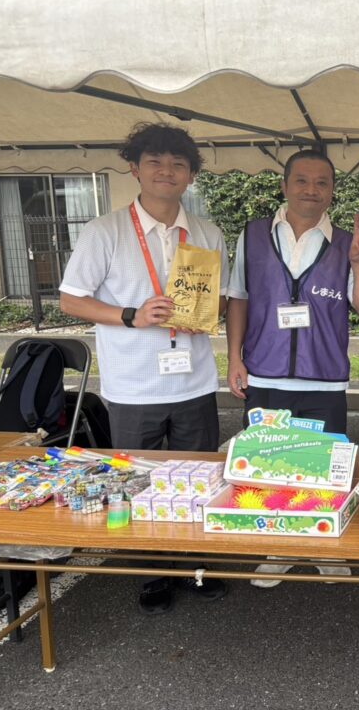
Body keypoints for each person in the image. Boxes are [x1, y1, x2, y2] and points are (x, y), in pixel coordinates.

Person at [60, 122, 229, 613]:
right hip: (133, 385)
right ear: (135, 168)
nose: (166, 171)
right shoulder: (105, 231)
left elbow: (219, 298)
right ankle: (154, 572)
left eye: (178, 164)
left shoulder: (208, 232)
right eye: (155, 161)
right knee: (140, 483)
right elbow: (71, 299)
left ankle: (195, 566)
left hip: (195, 380)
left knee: (199, 479)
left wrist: (207, 313)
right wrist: (131, 315)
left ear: (191, 174)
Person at [225, 150, 359, 588]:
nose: (311, 190)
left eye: (322, 182)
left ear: (332, 190)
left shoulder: (348, 243)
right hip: (264, 371)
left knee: (324, 467)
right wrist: (234, 357)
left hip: (324, 376)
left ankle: (324, 543)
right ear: (285, 185)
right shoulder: (253, 235)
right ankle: (280, 548)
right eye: (302, 181)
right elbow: (239, 298)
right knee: (269, 467)